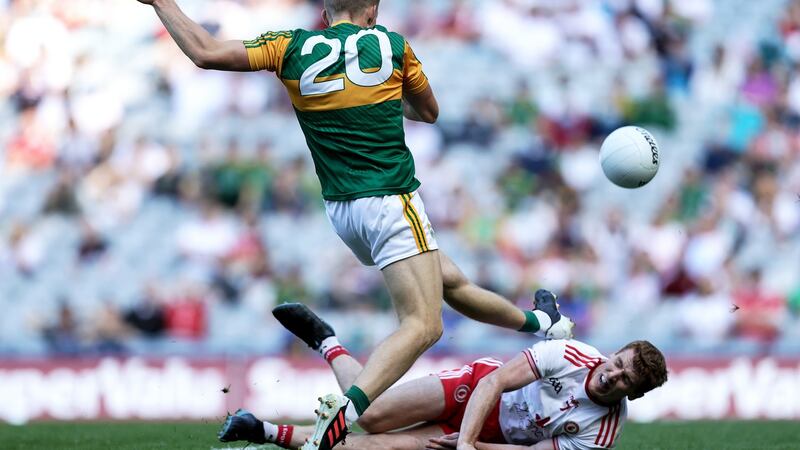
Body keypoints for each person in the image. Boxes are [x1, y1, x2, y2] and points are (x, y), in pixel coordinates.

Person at [135, 2, 571, 448]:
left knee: (450, 281)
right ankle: (345, 412)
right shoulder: (392, 46)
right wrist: (375, 97)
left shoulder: (289, 45)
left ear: (326, 10)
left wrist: (160, 2)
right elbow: (428, 113)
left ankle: (542, 322)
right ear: (374, 10)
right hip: (390, 200)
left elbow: (205, 52)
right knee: (425, 325)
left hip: (343, 212)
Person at [218, 303, 667, 450]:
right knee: (372, 416)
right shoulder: (570, 354)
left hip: (491, 437)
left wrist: (475, 446)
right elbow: (494, 383)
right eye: (619, 363)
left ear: (635, 394)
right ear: (613, 353)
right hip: (476, 388)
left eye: (626, 380)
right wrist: (469, 441)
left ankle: (259, 428)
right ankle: (327, 341)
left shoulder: (603, 431)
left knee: (375, 447)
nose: (613, 375)